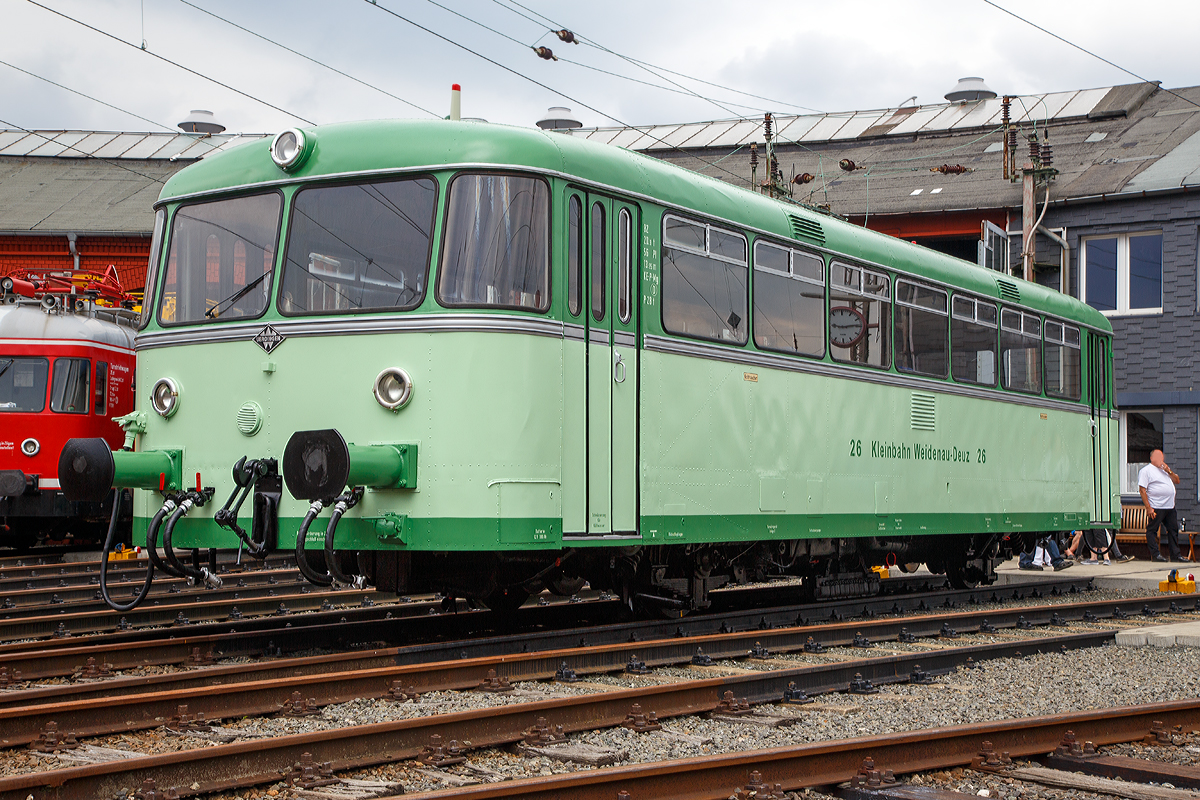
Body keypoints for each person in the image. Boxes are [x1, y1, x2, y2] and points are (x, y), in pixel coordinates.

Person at [1139, 449, 1188, 563]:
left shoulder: (1165, 470)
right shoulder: (1146, 471)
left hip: (1169, 506)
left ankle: (1175, 555)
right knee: (1152, 530)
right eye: (1157, 457)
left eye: (1161, 457)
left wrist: (1169, 471)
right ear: (1151, 458)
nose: (1160, 459)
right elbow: (1142, 490)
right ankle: (1156, 555)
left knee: (1173, 530)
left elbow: (1177, 481)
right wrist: (1148, 507)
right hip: (1157, 505)